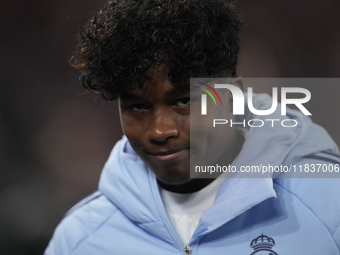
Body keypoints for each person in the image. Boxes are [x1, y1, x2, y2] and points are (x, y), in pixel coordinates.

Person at [45, 0, 340, 254]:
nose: (160, 131)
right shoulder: (79, 239)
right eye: (137, 107)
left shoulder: (327, 206)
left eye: (184, 101)